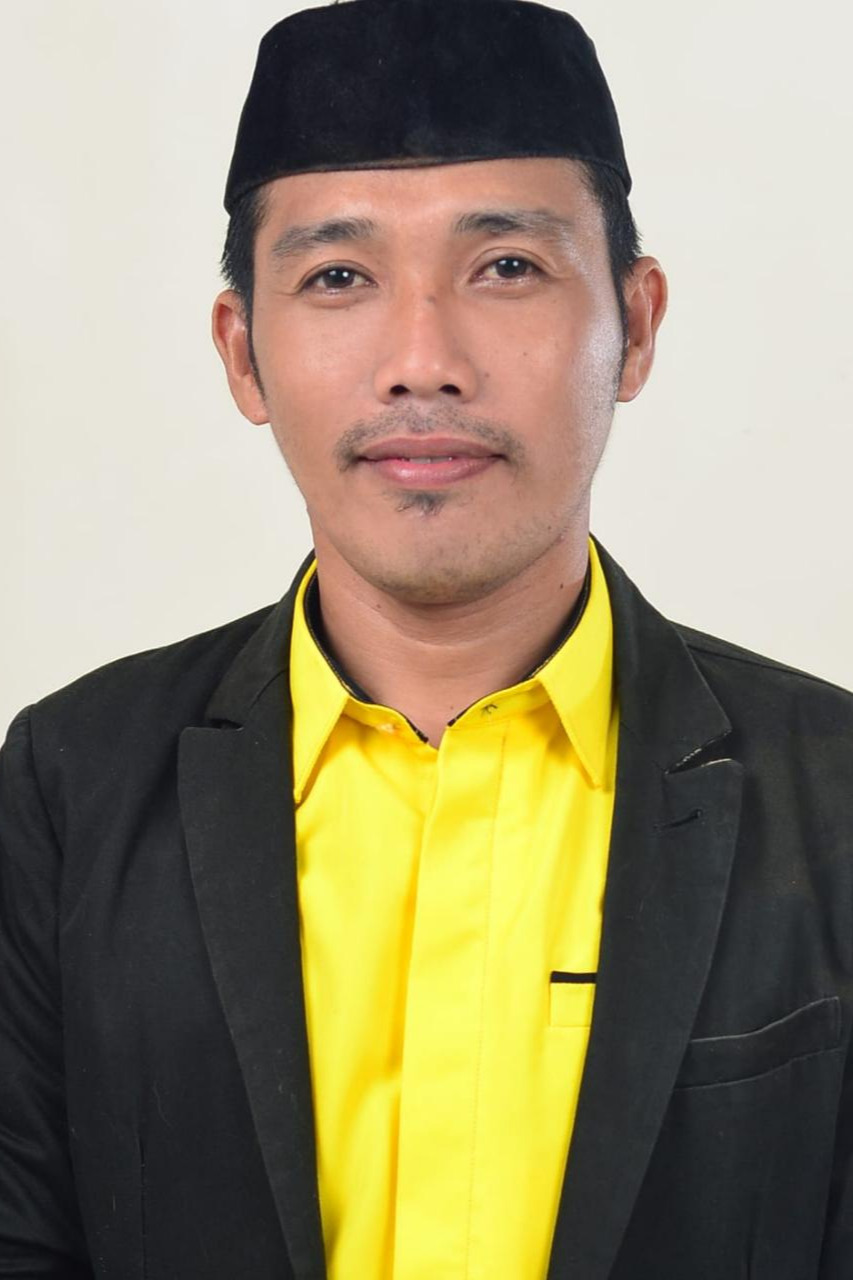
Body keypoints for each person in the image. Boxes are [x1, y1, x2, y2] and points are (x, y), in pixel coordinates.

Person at [1, 0, 851, 1276]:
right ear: (242, 353)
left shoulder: (833, 795)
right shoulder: (69, 788)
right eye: (337, 277)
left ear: (635, 324)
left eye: (505, 266)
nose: (421, 360)